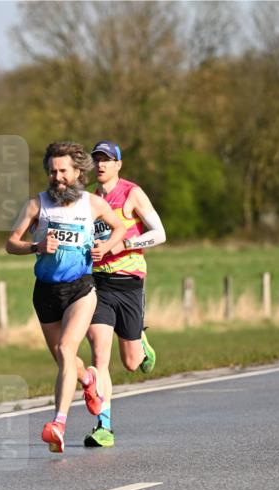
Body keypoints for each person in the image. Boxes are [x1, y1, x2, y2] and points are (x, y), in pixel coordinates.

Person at [6, 142, 126, 453]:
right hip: (46, 290)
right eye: (52, 171)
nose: (57, 177)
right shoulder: (37, 205)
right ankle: (88, 380)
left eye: (63, 171)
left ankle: (58, 424)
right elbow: (11, 243)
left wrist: (106, 247)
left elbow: (119, 229)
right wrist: (36, 246)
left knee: (66, 347)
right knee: (64, 359)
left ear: (77, 172)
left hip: (80, 288)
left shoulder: (93, 205)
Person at [83, 140, 167, 448]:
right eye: (97, 160)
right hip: (98, 285)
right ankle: (103, 426)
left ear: (119, 164)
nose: (101, 165)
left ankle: (140, 343)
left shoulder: (132, 193)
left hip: (130, 281)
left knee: (132, 363)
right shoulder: (89, 200)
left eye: (107, 160)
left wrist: (126, 244)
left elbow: (159, 234)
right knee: (99, 356)